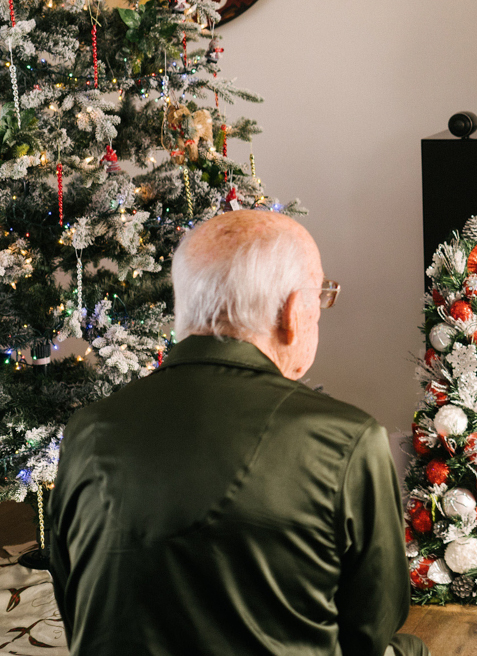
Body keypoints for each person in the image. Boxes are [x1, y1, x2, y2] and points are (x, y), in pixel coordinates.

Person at [48, 210, 428, 656]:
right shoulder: (347, 439)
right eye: (321, 296)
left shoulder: (87, 430)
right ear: (291, 312)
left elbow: (75, 605)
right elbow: (370, 630)